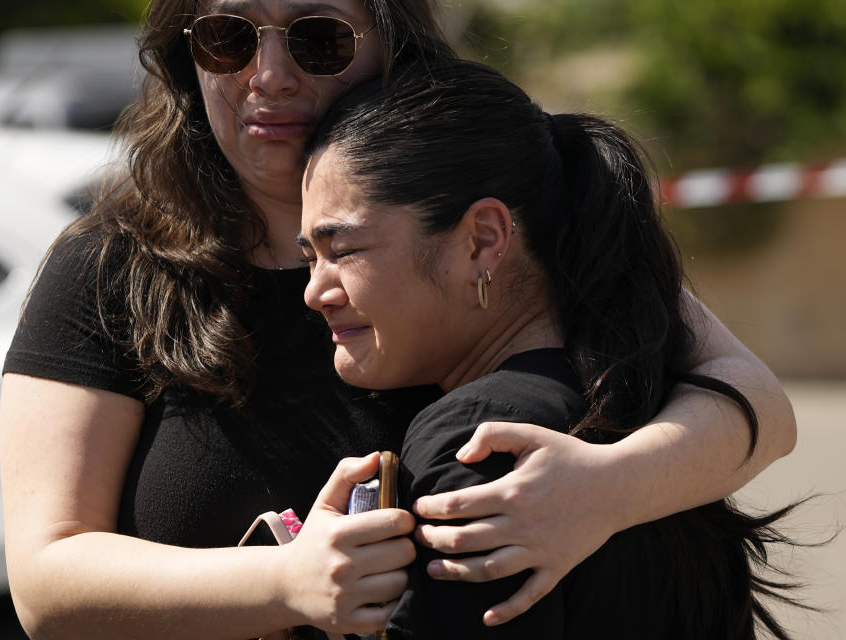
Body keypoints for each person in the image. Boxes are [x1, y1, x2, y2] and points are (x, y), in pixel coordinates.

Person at [0, 1, 795, 638]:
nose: (268, 75)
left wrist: (603, 490)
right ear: (185, 51)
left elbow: (752, 399)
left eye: (317, 37)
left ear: (392, 40)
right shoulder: (115, 262)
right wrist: (286, 584)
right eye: (226, 36)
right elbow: (46, 582)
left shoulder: (507, 205)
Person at [299, 57, 802, 639]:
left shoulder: (479, 447)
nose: (315, 292)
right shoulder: (653, 396)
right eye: (310, 256)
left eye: (345, 250)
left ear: (483, 241)